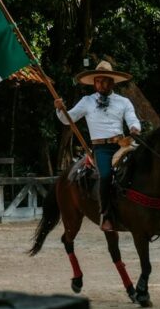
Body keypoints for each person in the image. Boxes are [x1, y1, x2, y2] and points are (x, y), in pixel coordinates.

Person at [54, 61, 141, 232]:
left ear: (112, 82)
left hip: (123, 144)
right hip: (101, 149)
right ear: (94, 83)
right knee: (106, 175)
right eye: (98, 81)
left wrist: (134, 128)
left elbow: (133, 119)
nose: (101, 85)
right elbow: (67, 119)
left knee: (146, 164)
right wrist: (60, 109)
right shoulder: (86, 101)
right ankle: (106, 215)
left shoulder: (124, 102)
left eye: (105, 81)